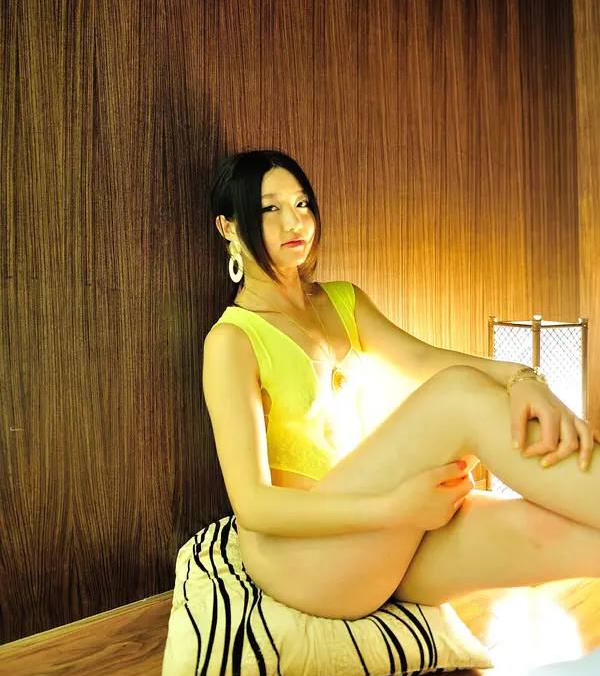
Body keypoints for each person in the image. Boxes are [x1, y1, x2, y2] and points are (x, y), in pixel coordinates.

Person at [203, 148, 600, 621]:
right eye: (271, 208)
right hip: (303, 561)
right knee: (457, 394)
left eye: (302, 203)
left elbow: (423, 360)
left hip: (376, 545)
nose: (295, 222)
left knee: (545, 529)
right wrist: (394, 508)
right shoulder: (232, 340)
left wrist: (524, 377)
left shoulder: (342, 301)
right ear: (228, 227)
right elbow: (253, 507)